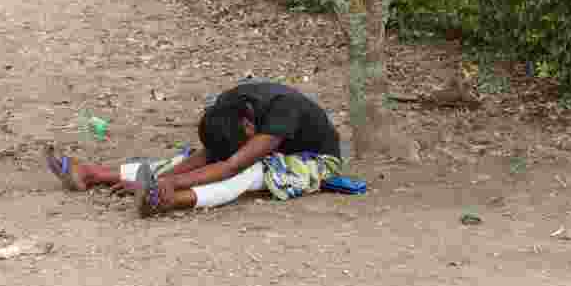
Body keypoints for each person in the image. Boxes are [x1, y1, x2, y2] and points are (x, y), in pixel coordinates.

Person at [44, 79, 346, 218]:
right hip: (251, 151)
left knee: (255, 170)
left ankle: (172, 201)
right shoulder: (229, 108)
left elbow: (232, 165)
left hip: (315, 161)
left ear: (248, 125)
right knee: (188, 160)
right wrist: (158, 178)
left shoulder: (283, 111)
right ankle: (94, 174)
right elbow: (210, 155)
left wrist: (172, 184)